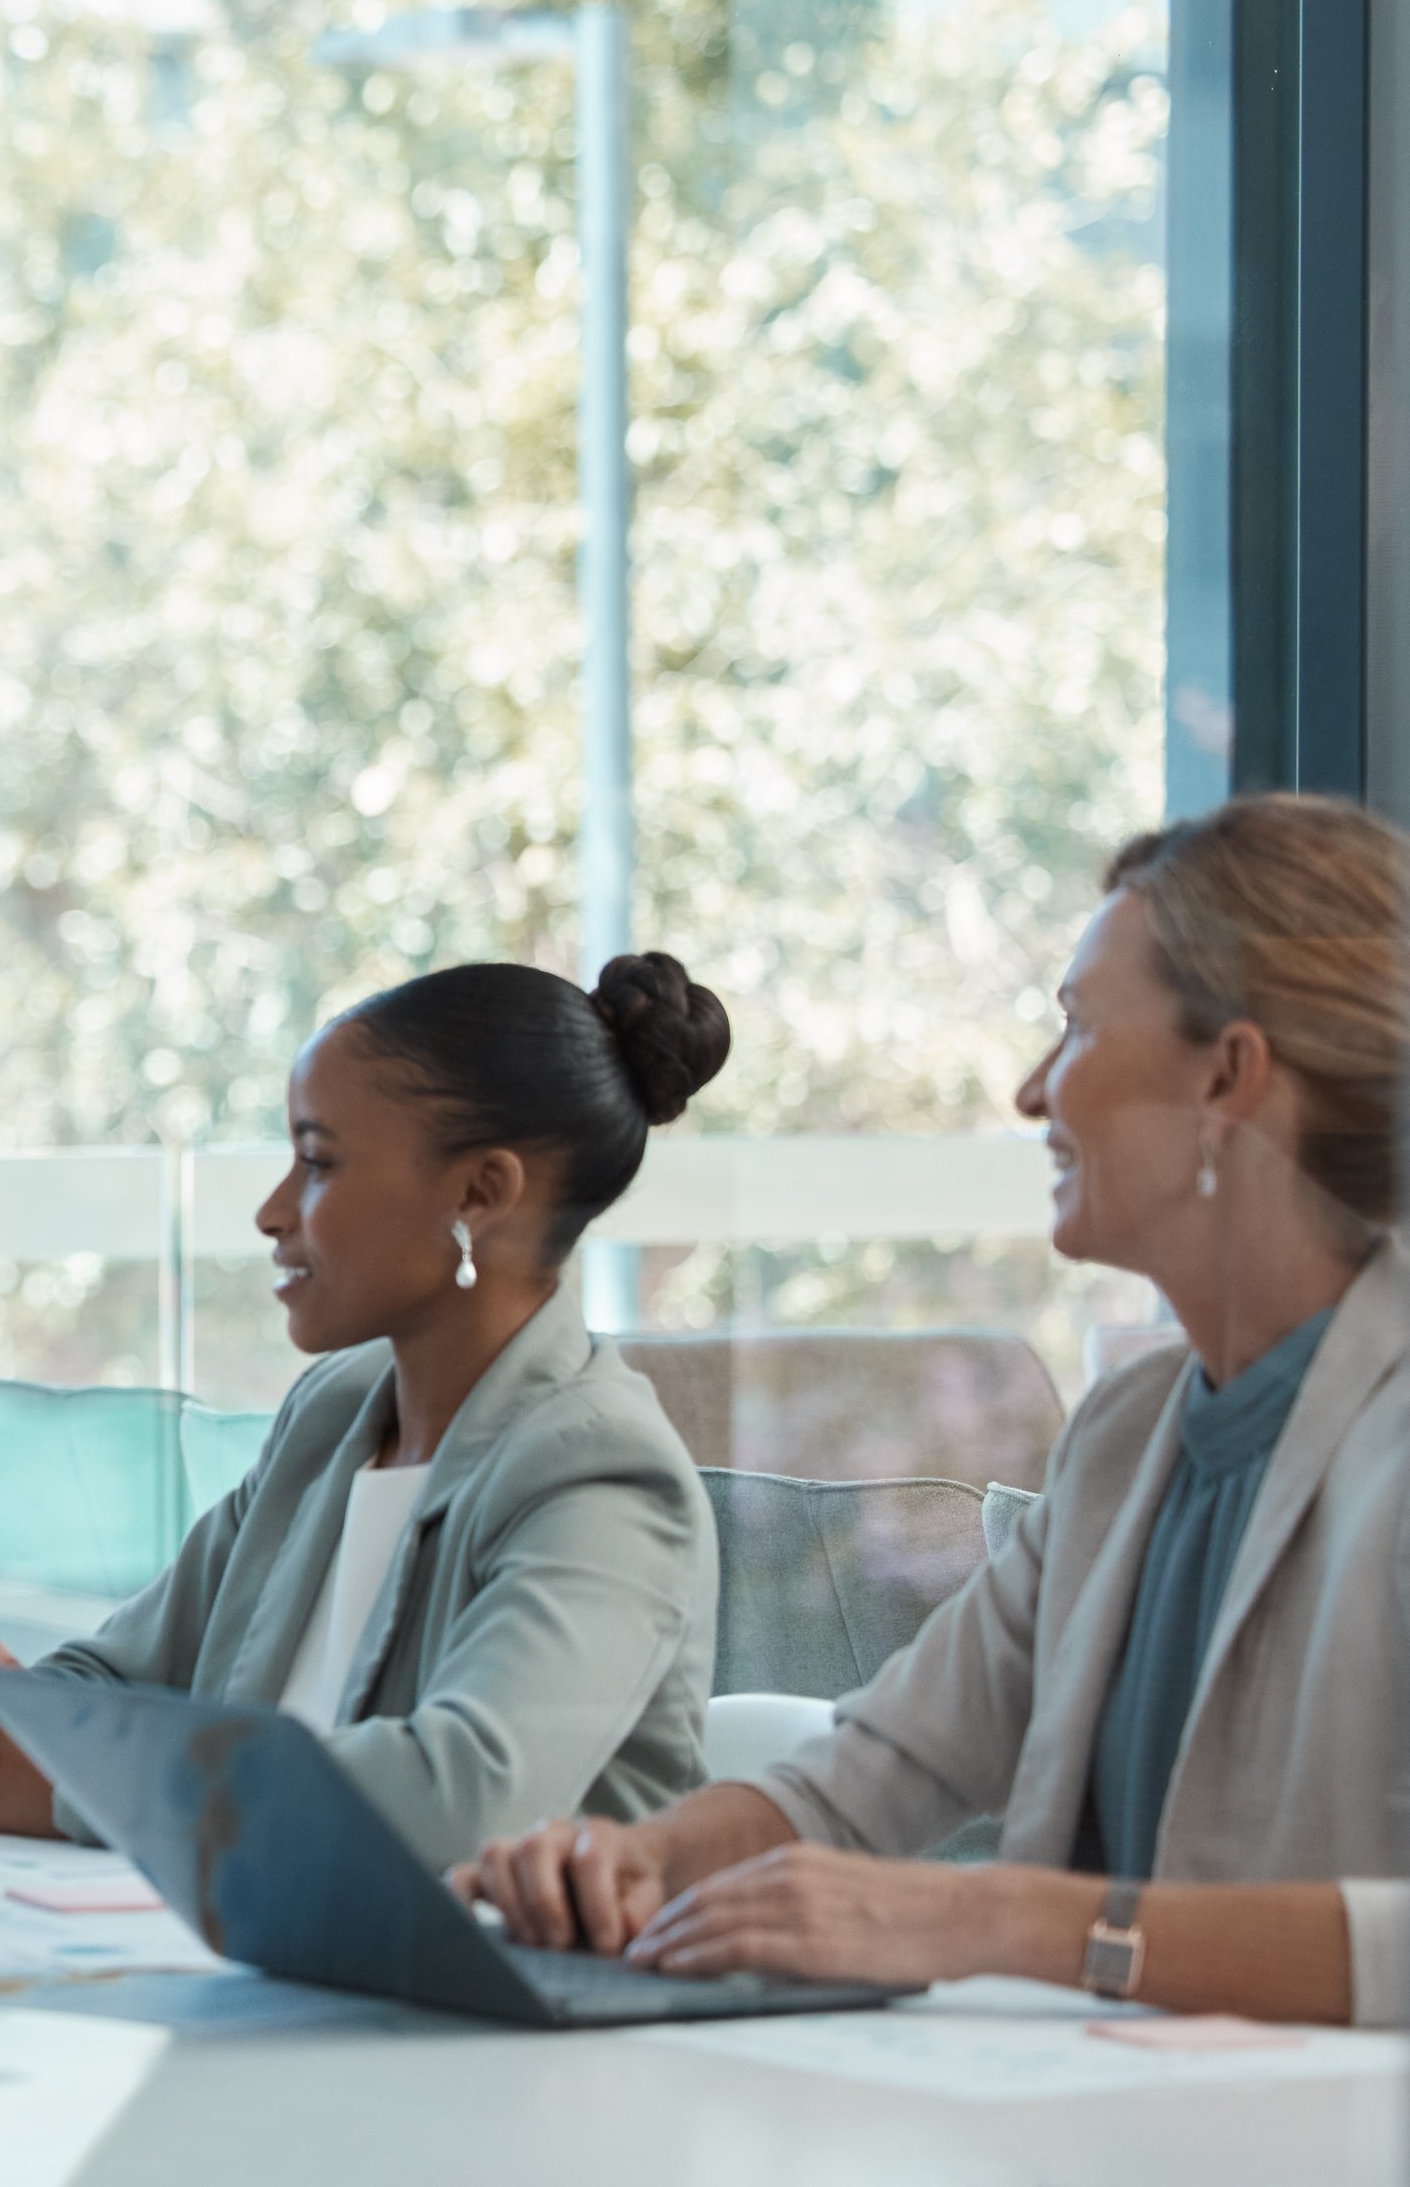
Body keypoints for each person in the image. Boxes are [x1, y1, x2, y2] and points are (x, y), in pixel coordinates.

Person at [462, 795, 1410, 2025]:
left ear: (1228, 1075)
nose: (1031, 1090)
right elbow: (882, 1770)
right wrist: (633, 1859)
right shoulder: (1132, 1433)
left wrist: (1004, 1918)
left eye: (1074, 1030)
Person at [0, 955, 733, 1870]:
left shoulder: (601, 1474)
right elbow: (114, 1676)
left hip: (476, 2003)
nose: (270, 1211)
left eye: (316, 1162)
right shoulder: (332, 1417)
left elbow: (453, 1799)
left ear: (479, 1193)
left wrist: (76, 1787)